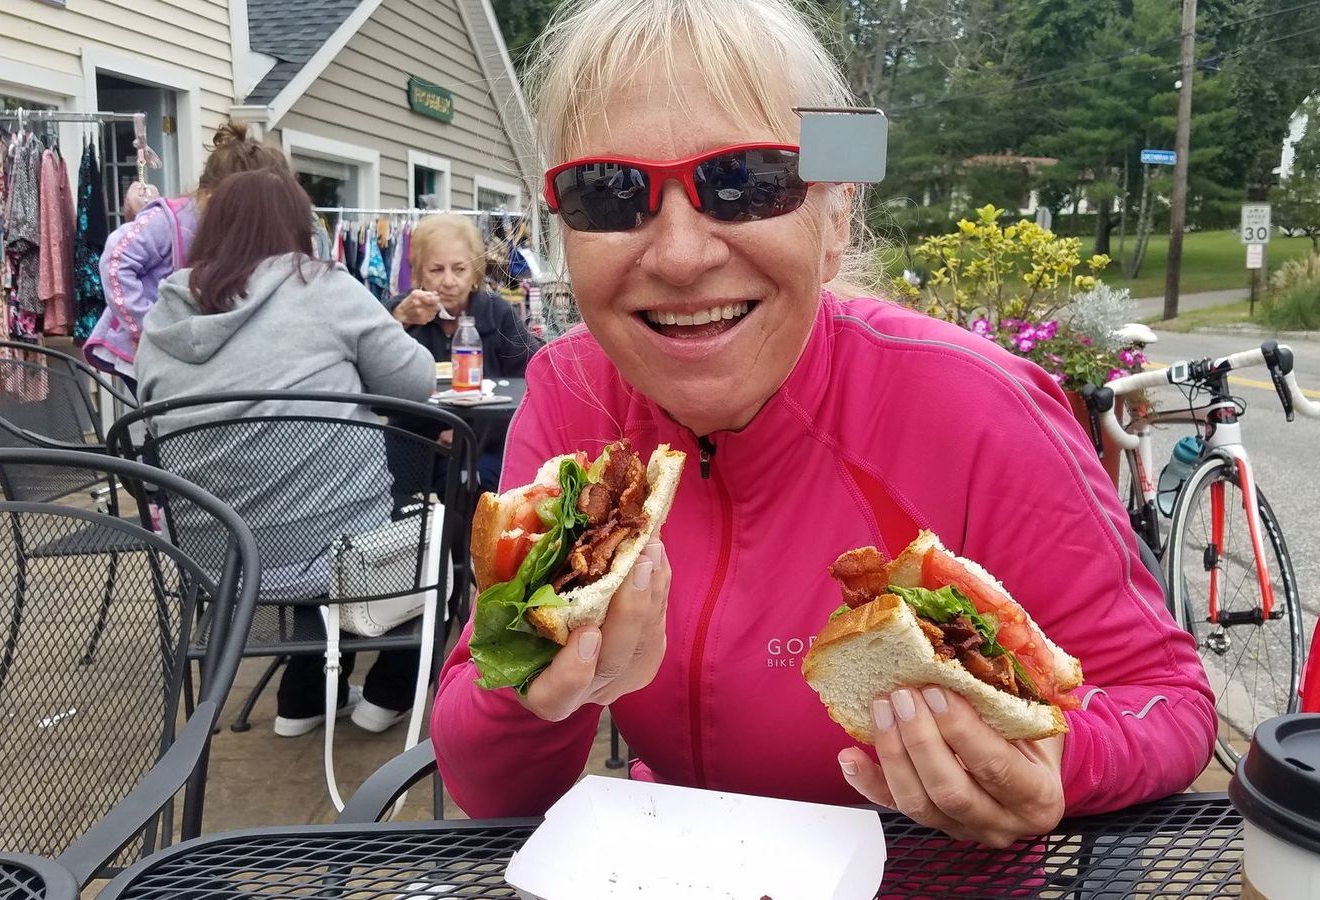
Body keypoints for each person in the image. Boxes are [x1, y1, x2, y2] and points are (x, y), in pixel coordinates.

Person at [429, 0, 1215, 847]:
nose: (682, 256)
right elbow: (492, 788)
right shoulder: (571, 392)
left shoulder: (979, 406)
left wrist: (1055, 759)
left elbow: (1167, 701)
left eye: (746, 181)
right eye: (608, 192)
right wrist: (536, 693)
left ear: (835, 219)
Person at [136, 168, 436, 738]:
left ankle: (306, 697)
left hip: (213, 560)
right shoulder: (323, 287)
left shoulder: (163, 315)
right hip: (336, 551)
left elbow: (146, 422)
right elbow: (415, 381)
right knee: (440, 533)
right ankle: (387, 695)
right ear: (301, 227)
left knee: (304, 497)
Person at [85, 120, 288, 387]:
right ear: (211, 196)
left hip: (186, 347)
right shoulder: (169, 221)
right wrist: (143, 329)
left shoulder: (234, 231)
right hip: (143, 343)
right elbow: (116, 259)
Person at [385, 213, 542, 489]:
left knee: (473, 482)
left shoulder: (497, 313)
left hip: (485, 447)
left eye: (459, 269)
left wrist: (469, 434)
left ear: (475, 273)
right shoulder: (401, 312)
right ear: (419, 272)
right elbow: (378, 386)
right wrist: (397, 320)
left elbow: (533, 377)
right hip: (417, 445)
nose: (448, 281)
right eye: (436, 270)